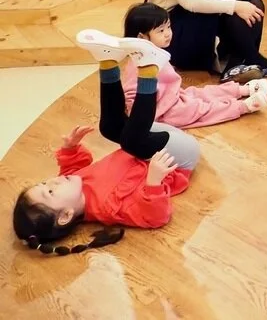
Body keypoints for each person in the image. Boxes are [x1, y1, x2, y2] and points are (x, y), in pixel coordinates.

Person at [12, 30, 199, 256]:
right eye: (50, 191)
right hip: (177, 158)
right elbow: (156, 217)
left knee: (109, 129)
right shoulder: (110, 208)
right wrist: (154, 182)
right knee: (131, 139)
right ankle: (150, 68)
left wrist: (70, 149)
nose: (55, 180)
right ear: (66, 215)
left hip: (148, 142)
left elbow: (73, 167)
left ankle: (107, 60)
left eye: (45, 182)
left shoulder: (75, 182)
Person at [121, 4, 267, 129]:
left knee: (199, 93)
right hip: (163, 112)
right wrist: (143, 118)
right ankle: (243, 106)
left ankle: (243, 89)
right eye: (161, 30)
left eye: (168, 27)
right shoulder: (137, 63)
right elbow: (131, 98)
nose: (168, 34)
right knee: (199, 109)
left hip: (175, 98)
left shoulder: (156, 53)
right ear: (141, 37)